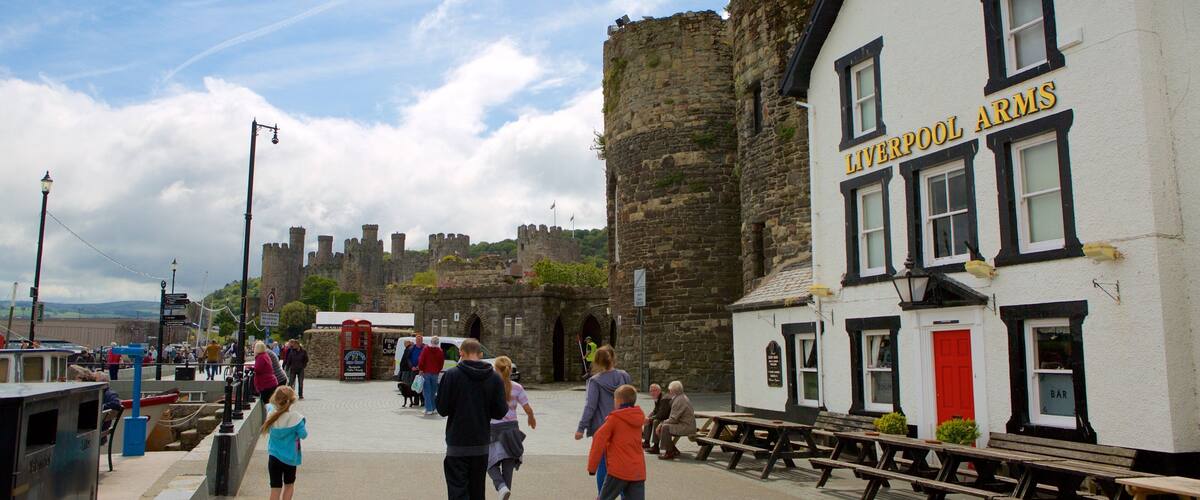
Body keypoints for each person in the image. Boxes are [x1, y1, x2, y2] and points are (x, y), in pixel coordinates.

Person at [436, 338, 507, 500]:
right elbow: (500, 412)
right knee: (477, 492)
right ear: (480, 354)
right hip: (480, 444)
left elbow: (441, 409)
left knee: (457, 491)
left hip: (457, 442)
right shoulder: (495, 378)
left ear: (461, 352)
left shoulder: (452, 375)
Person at [575, 345, 632, 495]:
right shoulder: (624, 376)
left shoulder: (595, 381)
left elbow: (590, 406)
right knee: (622, 464)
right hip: (623, 426)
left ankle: (603, 496)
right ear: (613, 358)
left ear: (597, 362)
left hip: (603, 427)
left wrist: (581, 428)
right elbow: (630, 400)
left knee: (603, 465)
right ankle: (623, 495)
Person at [488, 356, 536, 499]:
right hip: (512, 430)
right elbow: (527, 408)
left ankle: (501, 487)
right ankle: (504, 491)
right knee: (508, 466)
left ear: (496, 370)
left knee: (489, 463)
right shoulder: (517, 387)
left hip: (494, 429)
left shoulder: (490, 386)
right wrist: (531, 418)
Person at [588, 384, 646, 500]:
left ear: (618, 401)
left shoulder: (614, 419)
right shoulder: (639, 418)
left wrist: (592, 468)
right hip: (637, 471)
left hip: (618, 470)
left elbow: (598, 440)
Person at [261, 386, 307, 500]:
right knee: (289, 486)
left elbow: (269, 406)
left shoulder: (271, 415)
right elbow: (304, 435)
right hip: (290, 459)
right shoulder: (296, 418)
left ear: (275, 399)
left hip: (274, 457)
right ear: (292, 401)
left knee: (275, 489)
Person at [655, 380, 696, 460]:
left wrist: (661, 424)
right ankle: (673, 450)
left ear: (672, 391)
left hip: (686, 426)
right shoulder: (681, 397)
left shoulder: (679, 400)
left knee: (664, 427)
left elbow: (673, 419)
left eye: (669, 390)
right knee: (663, 426)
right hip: (685, 424)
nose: (669, 391)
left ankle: (669, 452)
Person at [417, 335, 445, 416]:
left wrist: (421, 369)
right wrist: (438, 370)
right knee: (433, 391)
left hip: (426, 372)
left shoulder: (426, 349)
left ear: (431, 342)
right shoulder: (440, 351)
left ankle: (428, 409)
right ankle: (434, 408)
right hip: (435, 373)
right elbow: (441, 363)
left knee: (426, 391)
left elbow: (421, 360)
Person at [642, 383, 672, 454]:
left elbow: (661, 415)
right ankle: (646, 442)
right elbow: (655, 410)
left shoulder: (664, 399)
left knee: (655, 421)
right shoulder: (658, 397)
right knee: (649, 419)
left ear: (659, 390)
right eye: (651, 391)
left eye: (654, 390)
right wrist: (648, 417)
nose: (652, 392)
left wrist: (650, 419)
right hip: (664, 416)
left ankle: (656, 447)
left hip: (669, 418)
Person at [252, 341, 280, 406]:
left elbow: (258, 369)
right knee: (271, 403)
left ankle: (270, 415)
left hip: (266, 383)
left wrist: (252, 368)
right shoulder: (265, 355)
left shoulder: (260, 357)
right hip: (271, 382)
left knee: (267, 403)